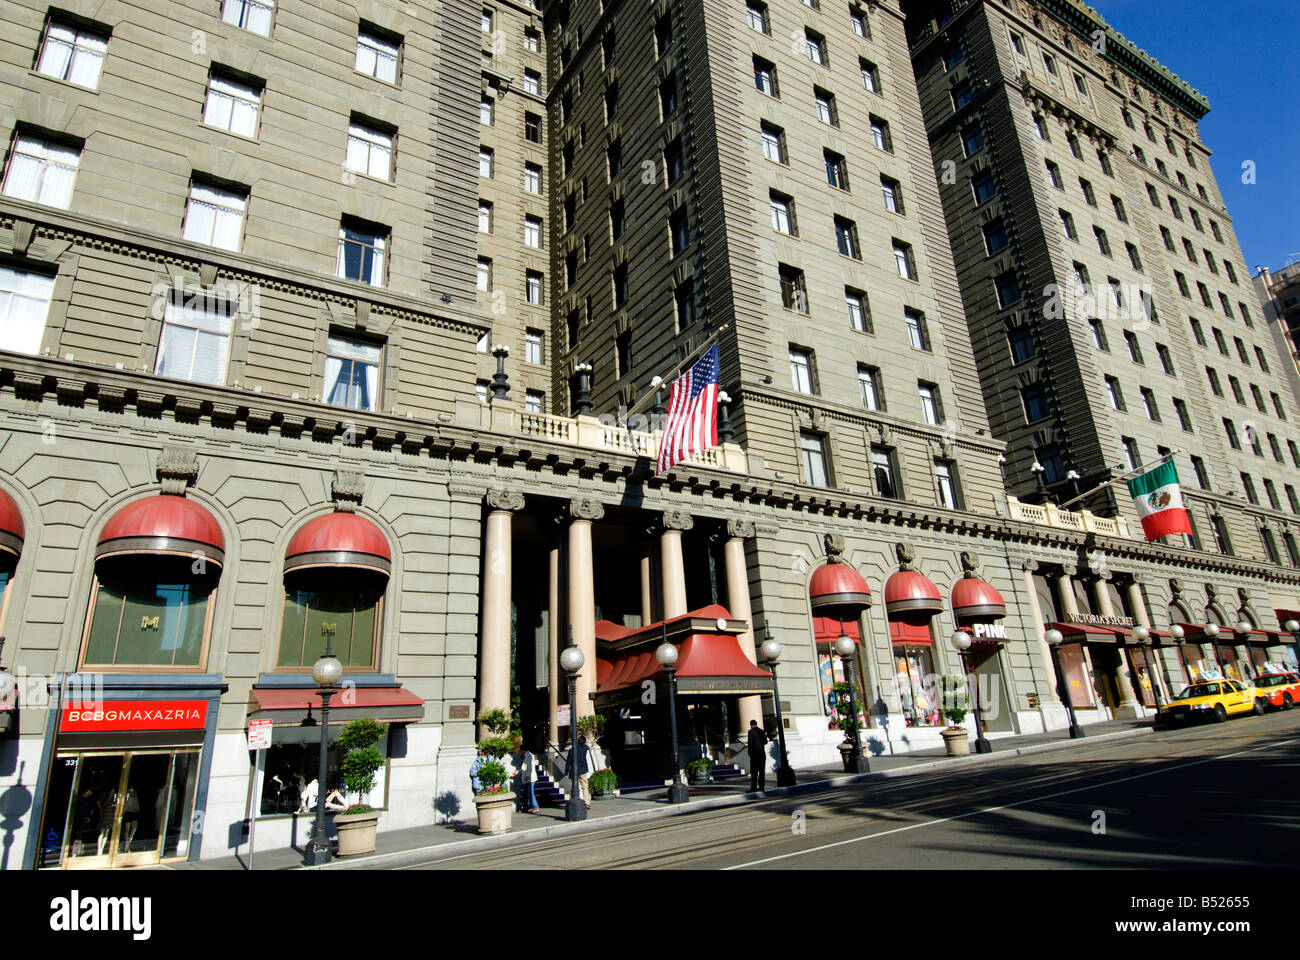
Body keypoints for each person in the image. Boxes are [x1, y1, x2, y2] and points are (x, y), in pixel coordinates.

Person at [564, 734, 592, 809]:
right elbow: (587, 746)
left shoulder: (572, 750)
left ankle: (573, 801)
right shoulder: (585, 748)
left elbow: (568, 762)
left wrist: (566, 772)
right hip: (583, 770)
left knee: (574, 787)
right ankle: (587, 802)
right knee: (585, 786)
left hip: (574, 770)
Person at [516, 738, 540, 813]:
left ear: (523, 750)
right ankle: (525, 807)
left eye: (521, 751)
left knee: (530, 793)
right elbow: (524, 767)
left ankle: (535, 807)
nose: (520, 753)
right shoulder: (527, 756)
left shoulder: (529, 755)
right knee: (526, 793)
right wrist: (517, 772)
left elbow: (530, 767)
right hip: (528, 778)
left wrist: (527, 776)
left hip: (530, 778)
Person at [746, 720, 769, 793]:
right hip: (762, 754)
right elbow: (765, 741)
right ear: (756, 724)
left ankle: (754, 787)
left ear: (751, 725)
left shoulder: (751, 732)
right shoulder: (762, 731)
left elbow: (750, 743)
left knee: (754, 772)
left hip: (754, 755)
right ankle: (761, 787)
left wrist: (749, 752)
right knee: (762, 771)